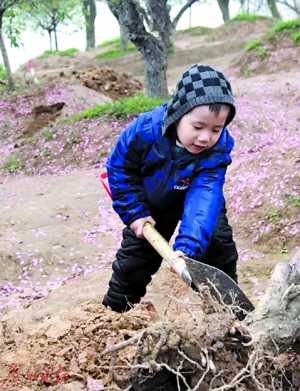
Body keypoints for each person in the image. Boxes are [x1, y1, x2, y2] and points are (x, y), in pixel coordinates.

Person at [102, 63, 238, 313]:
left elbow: (204, 196)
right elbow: (120, 169)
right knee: (134, 262)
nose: (205, 137)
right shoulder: (144, 131)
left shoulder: (217, 148)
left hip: (195, 200)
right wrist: (135, 213)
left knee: (219, 247)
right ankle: (114, 313)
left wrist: (187, 247)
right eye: (198, 127)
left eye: (216, 129)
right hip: (151, 205)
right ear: (178, 115)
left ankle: (228, 313)